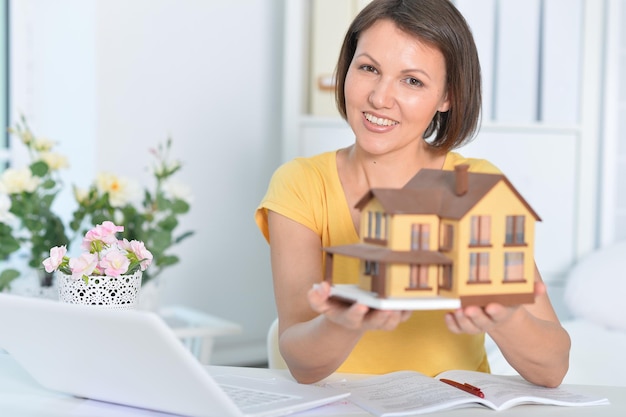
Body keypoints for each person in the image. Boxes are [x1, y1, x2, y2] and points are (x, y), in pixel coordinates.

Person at [255, 0, 570, 387]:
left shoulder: (475, 185)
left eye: (413, 81)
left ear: (447, 97)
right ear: (347, 68)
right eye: (368, 68)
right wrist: (343, 322)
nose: (380, 98)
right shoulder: (300, 184)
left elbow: (553, 368)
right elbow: (301, 361)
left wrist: (508, 319)